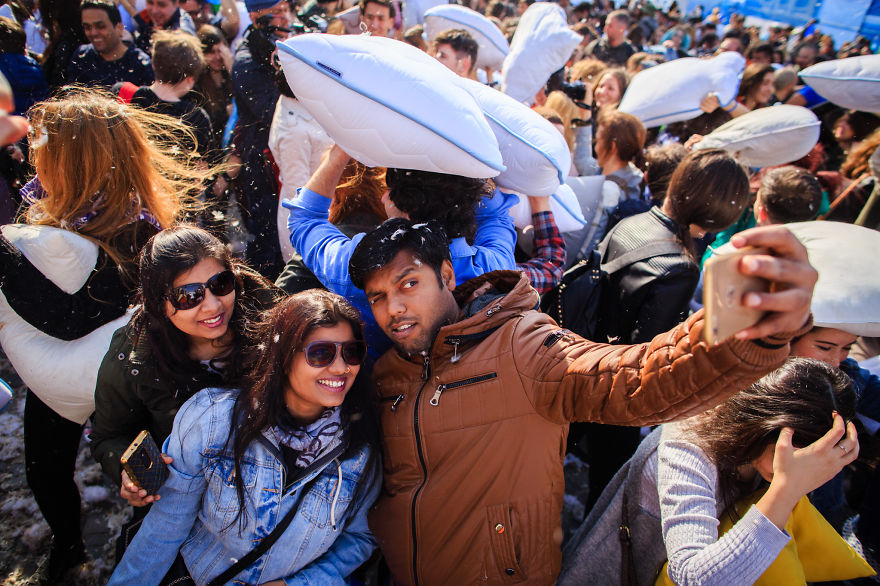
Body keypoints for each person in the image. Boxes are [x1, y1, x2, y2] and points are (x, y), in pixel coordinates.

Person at [347, 216, 817, 585]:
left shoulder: (521, 345)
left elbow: (635, 378)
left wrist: (736, 330)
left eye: (408, 284)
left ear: (446, 275)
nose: (395, 309)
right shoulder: (389, 371)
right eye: (378, 297)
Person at [0, 89, 208, 583]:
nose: (33, 162)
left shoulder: (138, 230)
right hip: (62, 381)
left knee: (149, 476)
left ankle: (159, 552)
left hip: (135, 381)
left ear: (76, 160)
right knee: (45, 470)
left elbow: (69, 317)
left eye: (43, 152)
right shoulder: (56, 211)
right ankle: (69, 548)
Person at [108, 289, 382, 585]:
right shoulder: (214, 419)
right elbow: (165, 527)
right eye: (321, 353)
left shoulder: (359, 454)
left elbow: (360, 538)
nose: (341, 367)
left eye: (351, 352)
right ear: (284, 357)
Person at [559, 358, 860, 585]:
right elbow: (694, 578)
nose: (812, 466)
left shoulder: (768, 450)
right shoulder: (688, 444)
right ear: (763, 427)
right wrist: (788, 489)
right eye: (804, 453)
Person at [572, 149, 752, 508]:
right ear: (720, 212)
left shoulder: (634, 220)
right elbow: (648, 356)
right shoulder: (680, 267)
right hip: (614, 386)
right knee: (605, 490)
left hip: (580, 354)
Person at [90, 226, 281, 513]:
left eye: (220, 284)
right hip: (187, 504)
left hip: (273, 490)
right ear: (158, 302)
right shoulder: (133, 355)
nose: (213, 306)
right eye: (189, 296)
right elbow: (109, 437)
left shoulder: (270, 319)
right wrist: (130, 475)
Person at [285, 144, 518, 353]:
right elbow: (496, 215)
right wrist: (469, 163)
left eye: (390, 189)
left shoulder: (362, 269)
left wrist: (342, 150)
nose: (394, 309)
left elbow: (305, 219)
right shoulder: (495, 268)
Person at [230, 0, 291, 278]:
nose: (284, 17)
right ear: (256, 16)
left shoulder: (286, 39)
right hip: (264, 169)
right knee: (269, 244)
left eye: (285, 9)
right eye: (276, 13)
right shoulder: (247, 60)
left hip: (286, 159)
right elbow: (273, 110)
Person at [129, 30, 213, 160]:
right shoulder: (196, 117)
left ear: (153, 65)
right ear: (190, 79)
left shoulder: (124, 95)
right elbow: (205, 167)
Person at [66, 0, 154, 88]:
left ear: (119, 27)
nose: (93, 33)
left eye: (101, 26)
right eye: (87, 27)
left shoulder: (140, 64)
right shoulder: (82, 57)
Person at [132, 0, 198, 55]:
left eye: (162, 5)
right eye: (150, 2)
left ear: (176, 3)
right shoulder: (147, 21)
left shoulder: (181, 35)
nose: (154, 10)